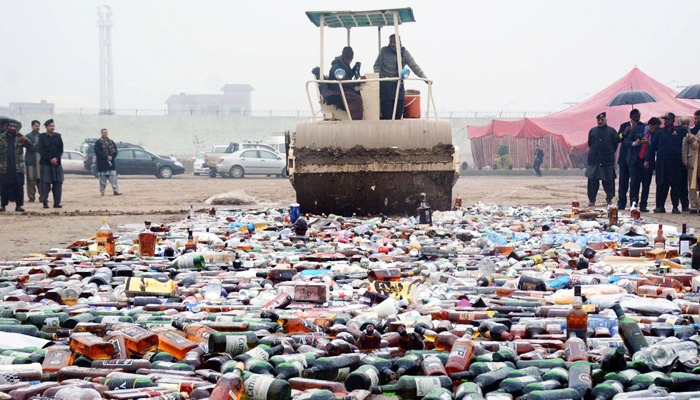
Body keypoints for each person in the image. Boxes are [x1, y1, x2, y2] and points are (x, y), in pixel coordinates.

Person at [373, 34, 426, 120]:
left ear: (400, 42)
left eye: (395, 42)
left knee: (400, 107)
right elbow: (376, 65)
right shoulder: (384, 51)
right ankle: (386, 127)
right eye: (391, 42)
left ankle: (397, 127)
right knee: (387, 110)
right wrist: (377, 72)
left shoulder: (404, 53)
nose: (393, 44)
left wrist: (424, 78)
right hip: (385, 84)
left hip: (398, 84)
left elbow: (414, 66)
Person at [645, 112, 687, 214]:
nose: (666, 121)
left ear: (673, 120)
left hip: (676, 163)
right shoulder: (659, 132)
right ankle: (660, 206)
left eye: (668, 119)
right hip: (662, 163)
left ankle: (675, 207)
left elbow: (687, 142)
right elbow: (652, 147)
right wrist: (647, 160)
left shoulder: (680, 131)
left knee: (675, 186)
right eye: (665, 119)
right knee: (661, 185)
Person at [585, 112, 618, 207]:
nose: (600, 121)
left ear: (606, 120)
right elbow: (590, 144)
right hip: (594, 161)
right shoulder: (593, 131)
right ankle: (592, 200)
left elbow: (615, 145)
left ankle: (610, 200)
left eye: (602, 120)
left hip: (607, 161)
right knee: (592, 182)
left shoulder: (612, 131)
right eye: (598, 120)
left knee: (609, 182)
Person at [0, 120, 33, 212]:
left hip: (18, 167)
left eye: (14, 127)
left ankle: (19, 205)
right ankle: (3, 205)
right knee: (4, 187)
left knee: (18, 187)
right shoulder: (1, 138)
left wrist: (25, 139)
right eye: (11, 127)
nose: (13, 128)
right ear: (7, 127)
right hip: (4, 167)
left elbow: (30, 147)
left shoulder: (20, 138)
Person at [628, 117, 659, 213]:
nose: (656, 130)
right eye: (655, 128)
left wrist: (649, 143)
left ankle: (643, 205)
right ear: (649, 126)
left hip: (647, 162)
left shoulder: (656, 134)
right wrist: (634, 143)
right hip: (636, 161)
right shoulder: (637, 129)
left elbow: (658, 146)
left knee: (646, 184)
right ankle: (633, 203)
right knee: (634, 183)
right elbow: (626, 141)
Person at [326, 46, 364, 120]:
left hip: (343, 88)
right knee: (357, 99)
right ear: (343, 56)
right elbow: (344, 82)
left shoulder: (343, 65)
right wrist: (358, 82)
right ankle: (356, 120)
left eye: (350, 59)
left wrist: (354, 68)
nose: (349, 61)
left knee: (360, 93)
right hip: (337, 90)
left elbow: (347, 77)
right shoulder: (337, 67)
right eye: (348, 59)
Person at [617, 109, 641, 210]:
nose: (637, 118)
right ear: (630, 116)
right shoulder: (624, 125)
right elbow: (618, 138)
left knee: (634, 181)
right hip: (624, 158)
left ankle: (634, 202)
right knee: (623, 181)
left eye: (638, 116)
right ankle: (621, 202)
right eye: (635, 116)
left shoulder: (641, 126)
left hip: (635, 158)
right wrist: (625, 132)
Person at [38, 119, 64, 209]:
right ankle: (44, 202)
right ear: (46, 127)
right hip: (46, 164)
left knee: (58, 184)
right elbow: (41, 150)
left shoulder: (58, 136)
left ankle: (57, 203)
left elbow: (61, 149)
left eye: (53, 126)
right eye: (50, 126)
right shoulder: (41, 137)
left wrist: (56, 158)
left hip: (57, 164)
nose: (52, 127)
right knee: (45, 184)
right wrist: (50, 159)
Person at [94, 128, 121, 196]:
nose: (105, 134)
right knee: (102, 180)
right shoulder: (98, 142)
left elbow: (115, 151)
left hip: (111, 164)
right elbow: (97, 152)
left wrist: (111, 157)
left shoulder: (111, 142)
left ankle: (115, 191)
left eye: (106, 132)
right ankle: (102, 192)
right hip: (102, 164)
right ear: (101, 133)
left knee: (113, 178)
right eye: (104, 132)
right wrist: (106, 157)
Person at [683, 111, 700, 213]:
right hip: (692, 160)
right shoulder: (691, 130)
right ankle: (693, 205)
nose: (696, 120)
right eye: (695, 118)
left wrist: (696, 139)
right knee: (692, 184)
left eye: (698, 118)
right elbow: (685, 146)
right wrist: (685, 159)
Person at [24, 120, 41, 203]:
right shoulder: (27, 137)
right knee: (31, 179)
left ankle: (43, 196)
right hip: (31, 161)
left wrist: (34, 146)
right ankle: (31, 197)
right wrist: (35, 147)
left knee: (41, 179)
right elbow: (28, 147)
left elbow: (43, 148)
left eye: (38, 126)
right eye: (35, 126)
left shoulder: (43, 137)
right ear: (32, 126)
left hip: (41, 162)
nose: (37, 127)